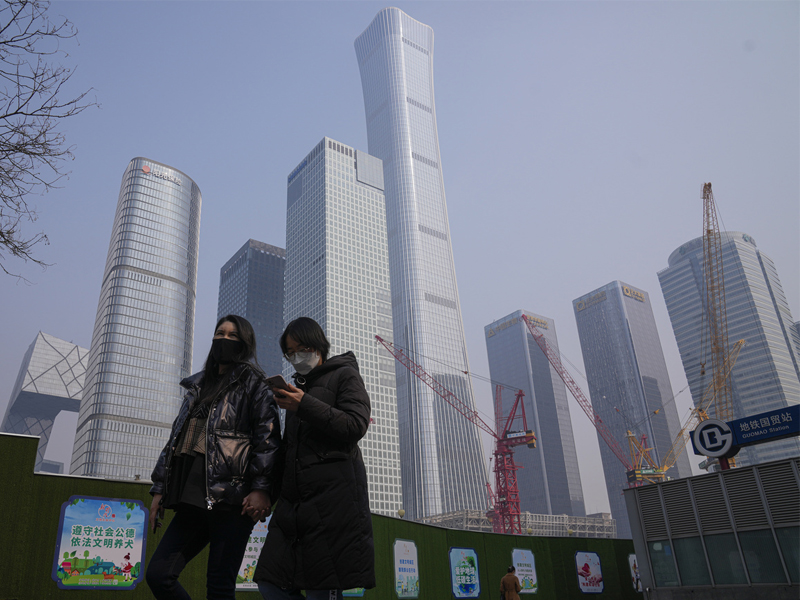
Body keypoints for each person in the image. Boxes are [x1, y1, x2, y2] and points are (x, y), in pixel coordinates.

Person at [146, 315, 282, 600]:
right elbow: (175, 439)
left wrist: (261, 488)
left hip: (233, 499)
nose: (225, 339)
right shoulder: (197, 385)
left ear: (245, 343)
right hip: (192, 495)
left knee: (219, 588)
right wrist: (159, 488)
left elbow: (267, 440)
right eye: (220, 333)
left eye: (233, 336)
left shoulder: (255, 384)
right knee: (158, 575)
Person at [254, 317, 374, 600]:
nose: (297, 357)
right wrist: (264, 492)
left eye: (303, 349)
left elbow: (356, 425)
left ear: (318, 345)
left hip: (332, 508)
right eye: (291, 353)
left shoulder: (345, 375)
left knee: (322, 591)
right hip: (293, 511)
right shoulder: (297, 390)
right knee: (270, 583)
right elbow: (289, 451)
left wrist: (304, 404)